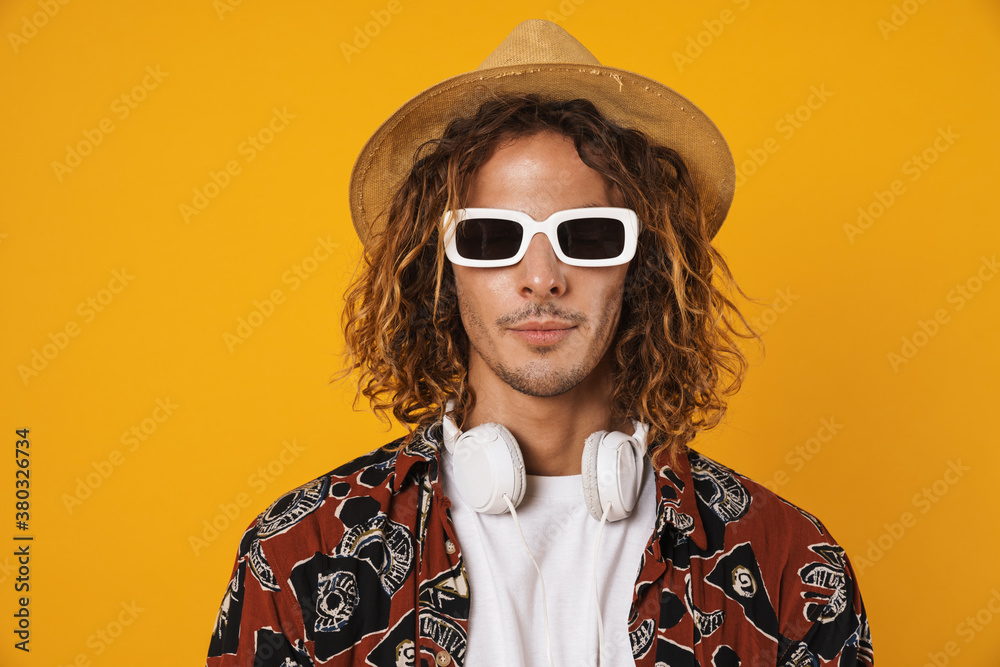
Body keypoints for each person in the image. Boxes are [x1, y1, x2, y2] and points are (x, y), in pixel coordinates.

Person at [206, 19, 873, 667]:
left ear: (642, 266)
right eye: (492, 238)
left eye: (587, 237)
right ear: (437, 270)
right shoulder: (299, 554)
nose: (542, 279)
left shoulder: (788, 563)